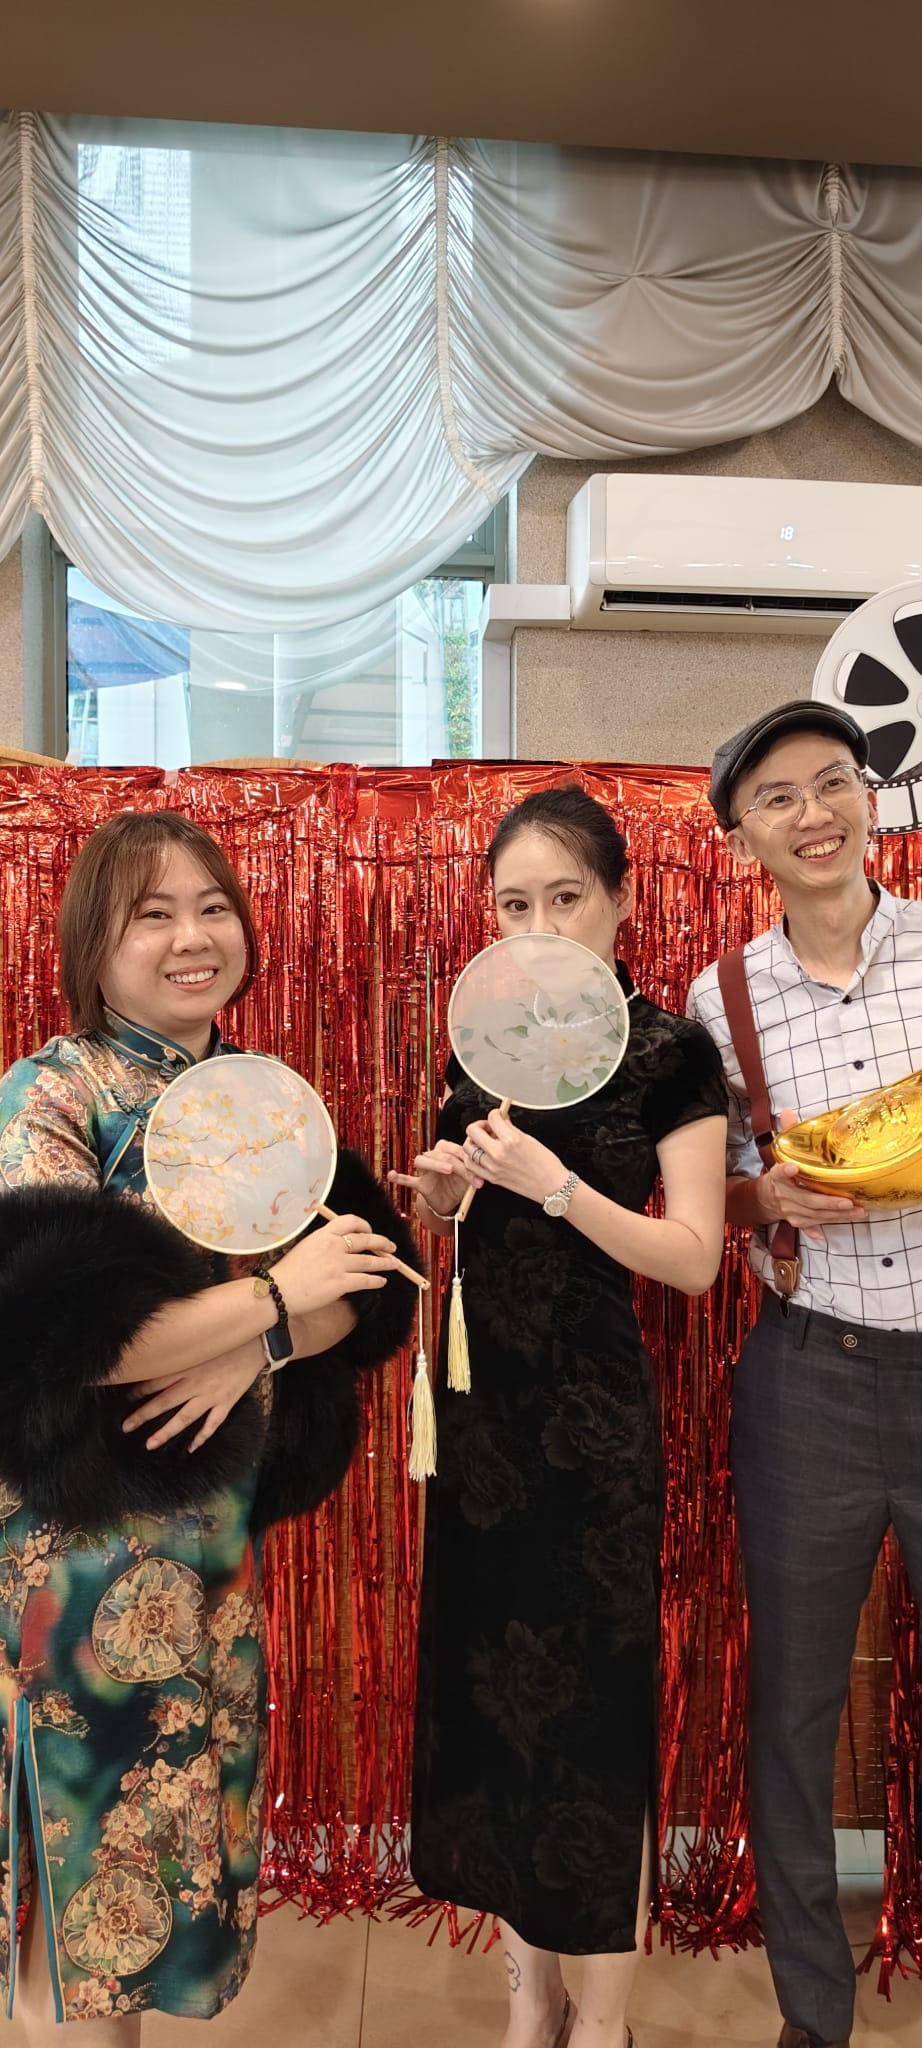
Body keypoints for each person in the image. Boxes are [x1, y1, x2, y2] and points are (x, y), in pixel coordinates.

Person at [0, 809, 420, 2039]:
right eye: (153, 914)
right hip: (76, 1550)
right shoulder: (54, 1087)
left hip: (211, 1543)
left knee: (178, 1829)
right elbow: (62, 1335)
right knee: (83, 1869)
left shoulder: (257, 1094)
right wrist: (275, 1297)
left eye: (212, 906)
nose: (194, 937)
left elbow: (366, 1283)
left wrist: (270, 1336)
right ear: (95, 940)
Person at [405, 786, 728, 2048]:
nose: (537, 923)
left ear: (622, 901)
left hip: (593, 1430)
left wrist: (552, 1186)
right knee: (498, 1704)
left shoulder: (666, 1050)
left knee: (590, 1716)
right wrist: (440, 1193)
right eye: (513, 902)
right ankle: (526, 1991)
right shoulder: (479, 1042)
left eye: (565, 897)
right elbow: (448, 1214)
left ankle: (605, 2016)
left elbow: (694, 1254)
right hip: (483, 1425)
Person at [686, 698, 922, 2048]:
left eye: (833, 782)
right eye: (778, 797)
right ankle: (809, 2019)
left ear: (870, 802)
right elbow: (696, 1182)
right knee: (791, 1707)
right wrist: (760, 1195)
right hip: (808, 1377)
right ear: (740, 839)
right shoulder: (720, 1002)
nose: (813, 812)